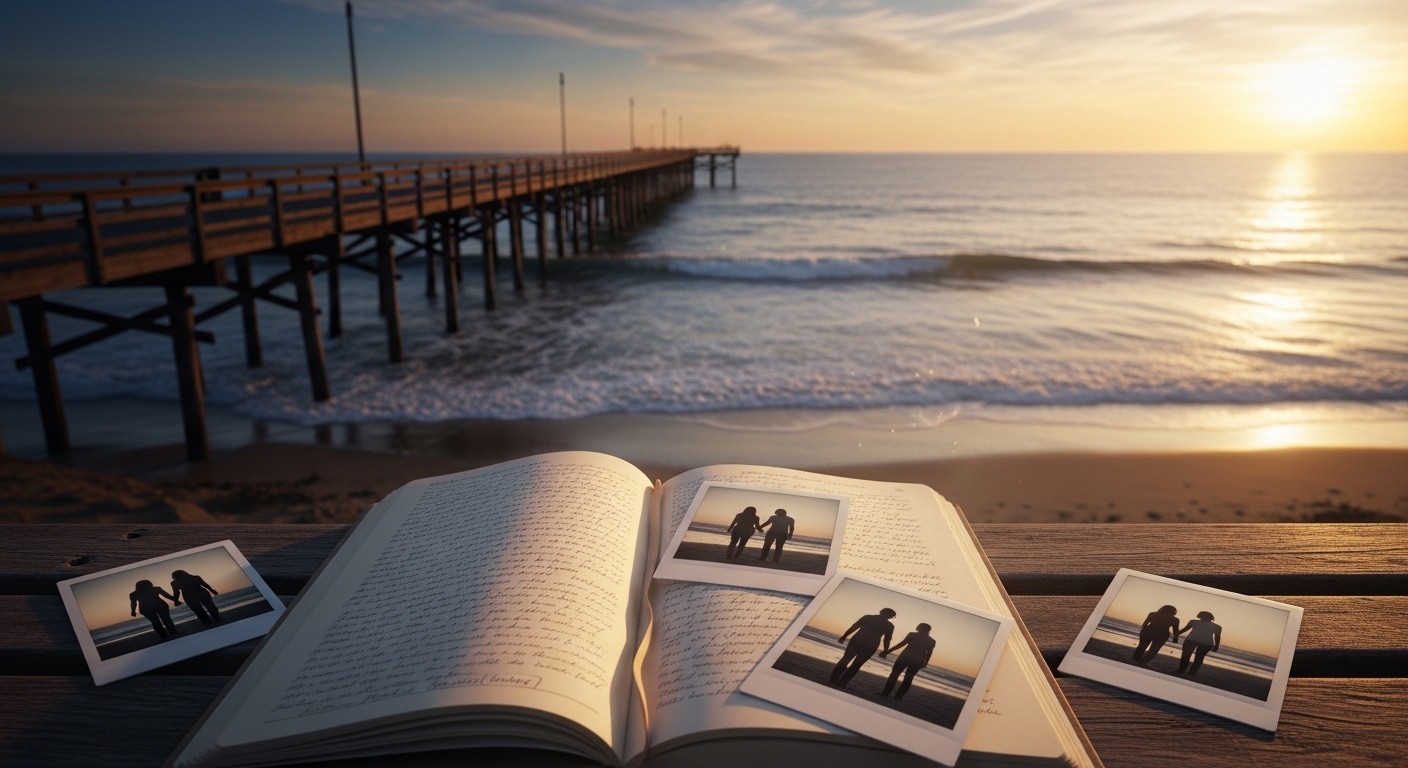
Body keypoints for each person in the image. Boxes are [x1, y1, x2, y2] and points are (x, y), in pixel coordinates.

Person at [829, 608, 896, 688]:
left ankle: (833, 680)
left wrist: (844, 636)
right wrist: (885, 651)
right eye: (890, 615)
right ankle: (841, 683)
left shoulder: (868, 617)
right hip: (870, 645)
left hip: (858, 641)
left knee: (846, 660)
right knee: (855, 665)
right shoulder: (889, 626)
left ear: (881, 612)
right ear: (890, 617)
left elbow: (854, 626)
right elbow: (887, 639)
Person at [880, 622, 936, 699]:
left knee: (895, 675)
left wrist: (888, 651)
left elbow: (902, 644)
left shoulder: (912, 635)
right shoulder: (931, 641)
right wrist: (925, 662)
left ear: (919, 628)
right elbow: (929, 653)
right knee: (908, 678)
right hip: (918, 660)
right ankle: (898, 696)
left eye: (919, 627)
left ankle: (886, 692)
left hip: (905, 657)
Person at [1174, 611, 1222, 676]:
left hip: (1205, 643)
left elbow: (1217, 637)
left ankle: (1190, 672)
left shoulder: (1217, 627)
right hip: (1192, 640)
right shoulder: (1193, 622)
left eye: (1205, 616)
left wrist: (1216, 645)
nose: (1204, 617)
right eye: (1203, 616)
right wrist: (1176, 635)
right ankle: (1183, 670)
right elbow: (1184, 630)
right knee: (1187, 656)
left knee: (1198, 658)